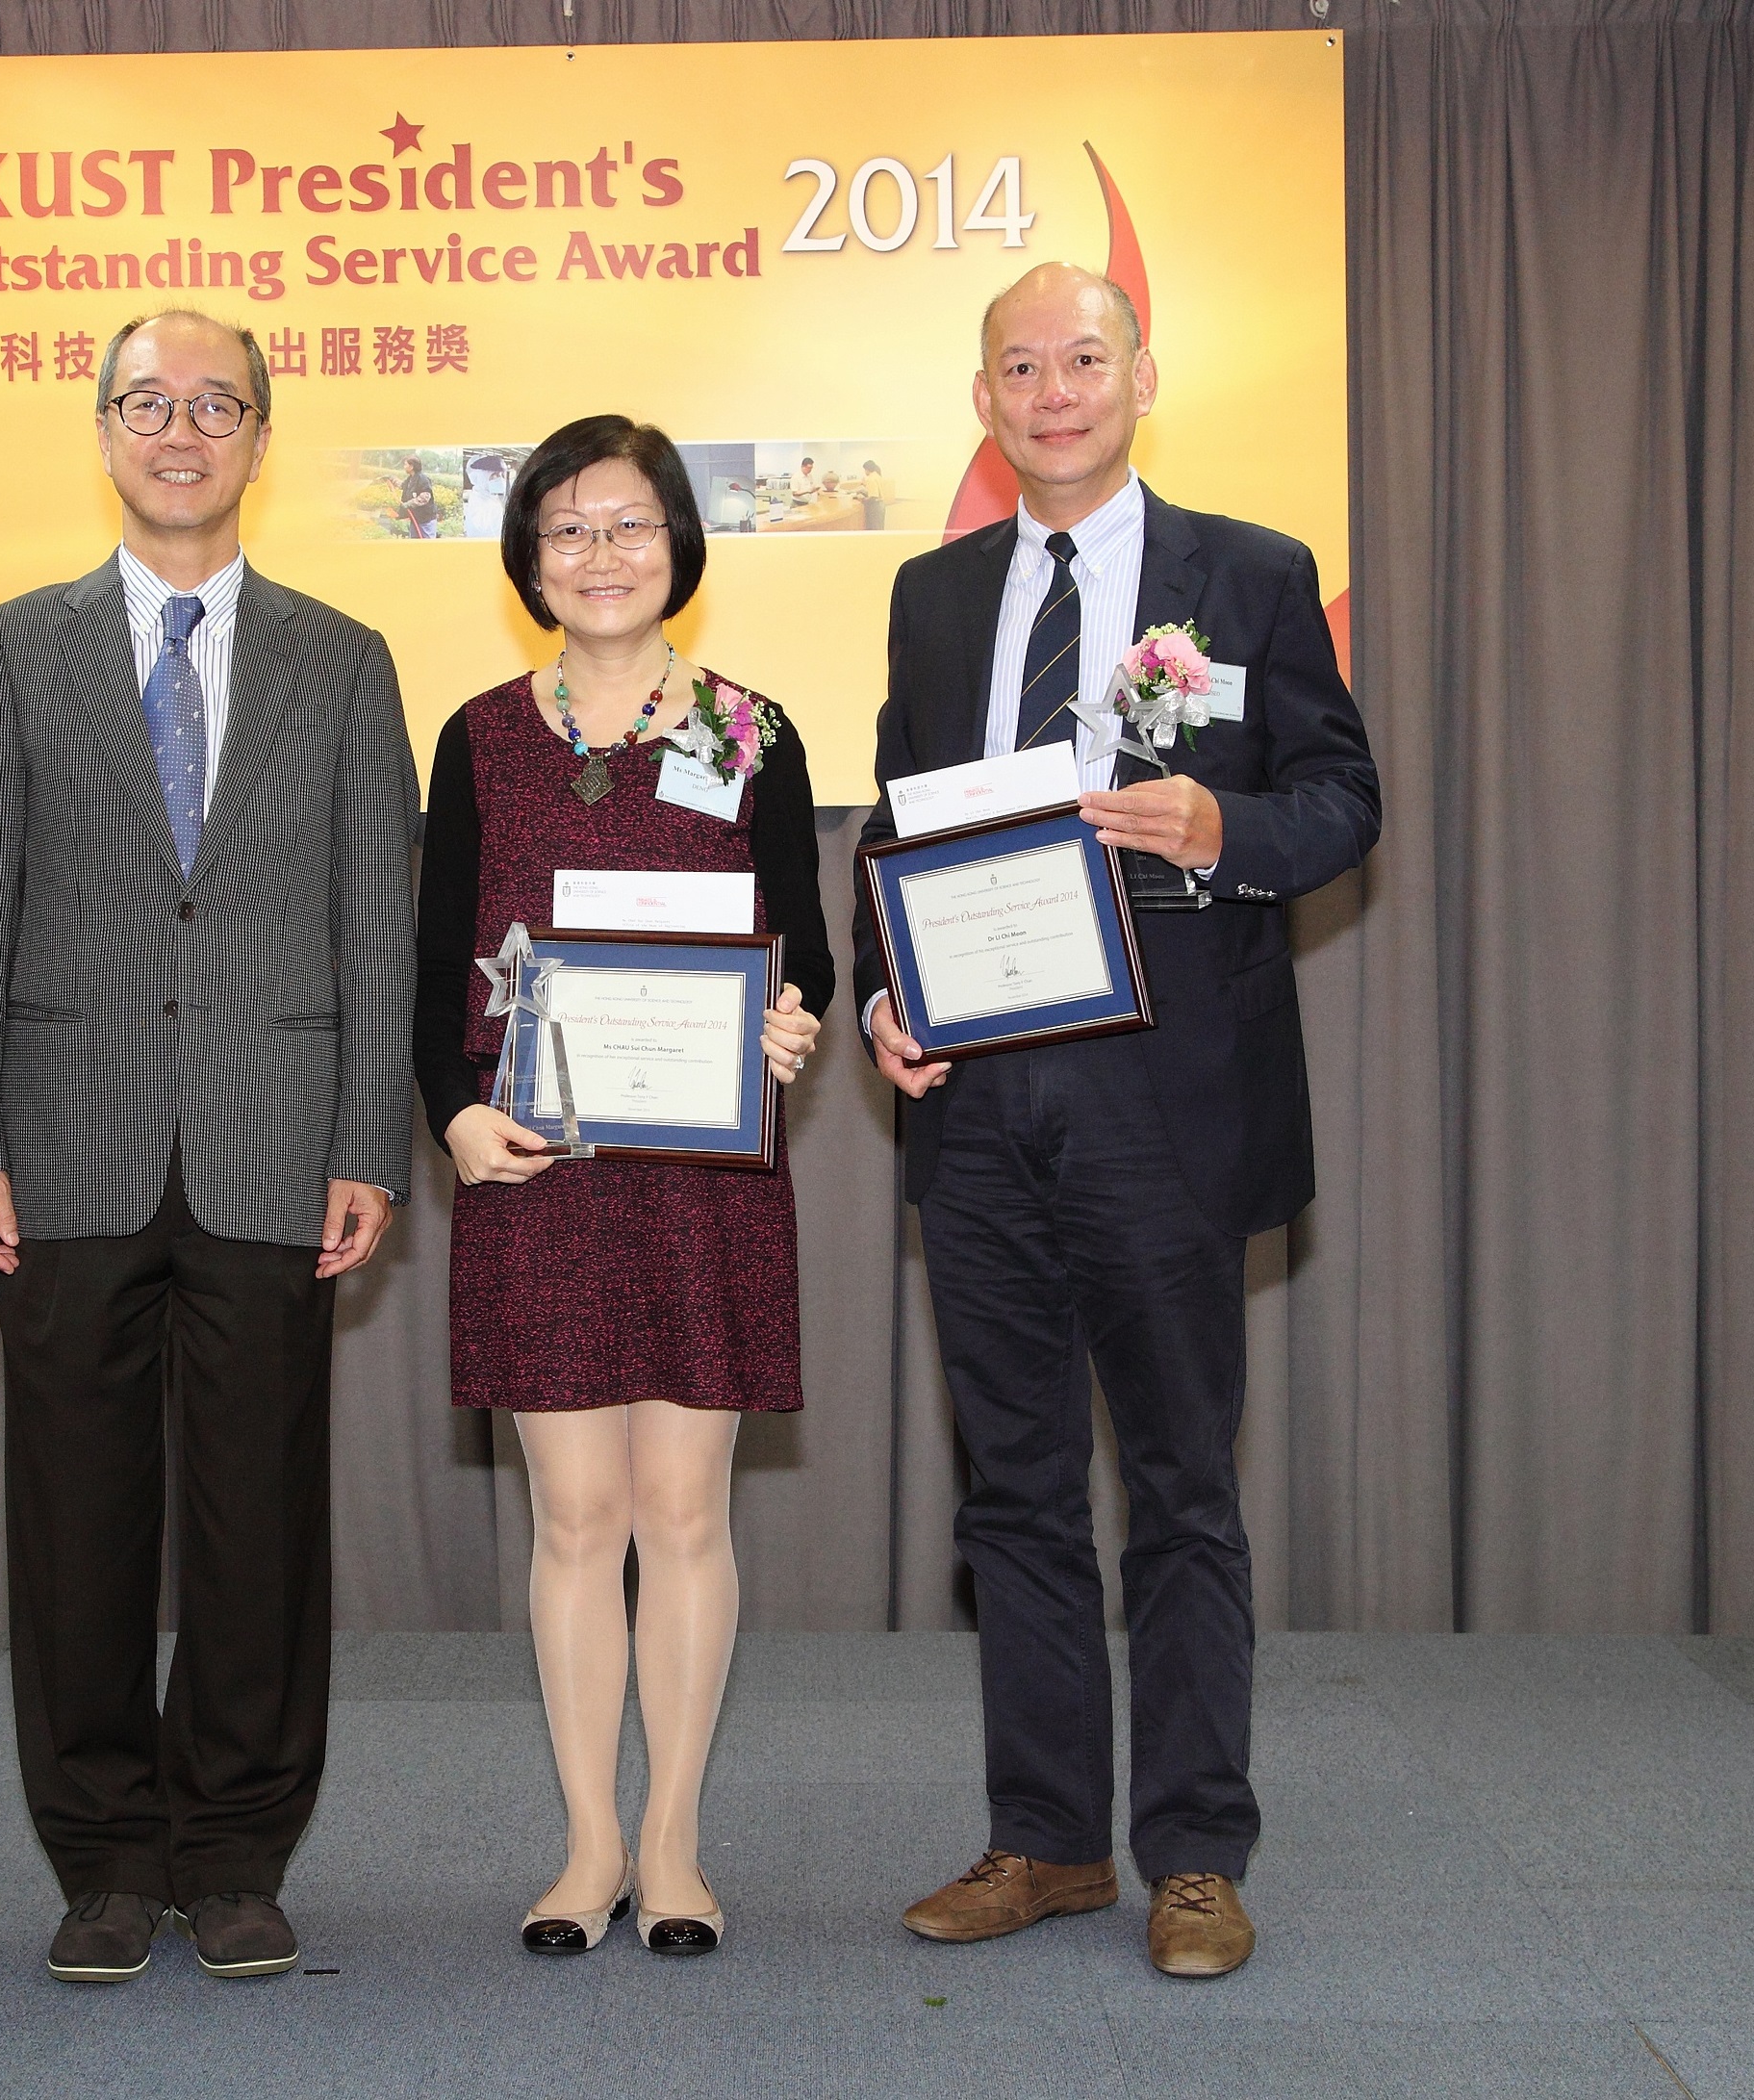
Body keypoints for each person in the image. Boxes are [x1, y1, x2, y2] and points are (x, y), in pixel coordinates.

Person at [852, 264, 1379, 1978]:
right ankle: (1043, 1838)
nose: (1053, 388)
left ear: (1138, 371)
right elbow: (894, 838)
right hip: (981, 1110)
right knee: (1007, 1494)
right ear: (983, 399)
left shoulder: (1248, 571)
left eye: (1082, 356)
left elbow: (1335, 800)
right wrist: (882, 995)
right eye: (1020, 365)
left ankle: (1194, 1850)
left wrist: (1208, 827)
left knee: (1174, 1487)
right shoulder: (930, 598)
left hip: (1172, 1102)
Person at [0, 310, 418, 1986]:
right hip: (60, 1139)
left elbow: (378, 919)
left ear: (259, 437)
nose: (181, 429)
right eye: (150, 401)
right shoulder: (7, 647)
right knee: (72, 1514)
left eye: (216, 403)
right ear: (103, 427)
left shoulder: (342, 658)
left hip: (276, 1140)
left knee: (257, 1515)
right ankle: (101, 1855)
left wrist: (368, 1132)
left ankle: (232, 1849)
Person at [414, 415, 835, 1959]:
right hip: (539, 1169)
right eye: (570, 528)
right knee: (576, 1517)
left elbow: (805, 943)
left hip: (701, 1171)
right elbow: (425, 964)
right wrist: (455, 1112)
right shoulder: (475, 735)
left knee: (682, 1507)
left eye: (632, 524)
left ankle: (675, 1846)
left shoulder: (750, 728)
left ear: (680, 545)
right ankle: (586, 1841)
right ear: (531, 555)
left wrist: (792, 1020)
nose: (601, 554)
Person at [398, 454, 443, 538]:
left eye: (405, 464)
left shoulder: (423, 479)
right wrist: (390, 479)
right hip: (415, 519)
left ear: (411, 466)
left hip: (426, 521)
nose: (404, 467)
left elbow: (425, 498)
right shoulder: (410, 479)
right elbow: (401, 485)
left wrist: (409, 503)